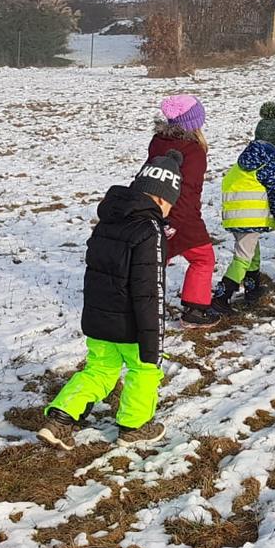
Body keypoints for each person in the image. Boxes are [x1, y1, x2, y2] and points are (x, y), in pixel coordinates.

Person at [38, 151, 183, 451]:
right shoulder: (151, 231)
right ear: (160, 198)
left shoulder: (108, 220)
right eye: (170, 203)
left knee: (99, 371)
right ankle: (134, 425)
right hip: (132, 322)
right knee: (145, 370)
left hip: (99, 318)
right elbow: (149, 290)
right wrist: (153, 341)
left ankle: (60, 420)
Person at [212, 103, 275, 314]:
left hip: (235, 215)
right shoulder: (271, 165)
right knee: (243, 257)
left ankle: (252, 288)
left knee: (252, 252)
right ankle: (221, 298)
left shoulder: (243, 161)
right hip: (248, 217)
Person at [147, 95, 218, 328]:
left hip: (154, 209)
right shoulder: (194, 151)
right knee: (203, 257)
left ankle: (141, 307)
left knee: (155, 260)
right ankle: (195, 311)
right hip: (182, 215)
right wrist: (175, 222)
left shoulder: (158, 140)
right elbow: (189, 189)